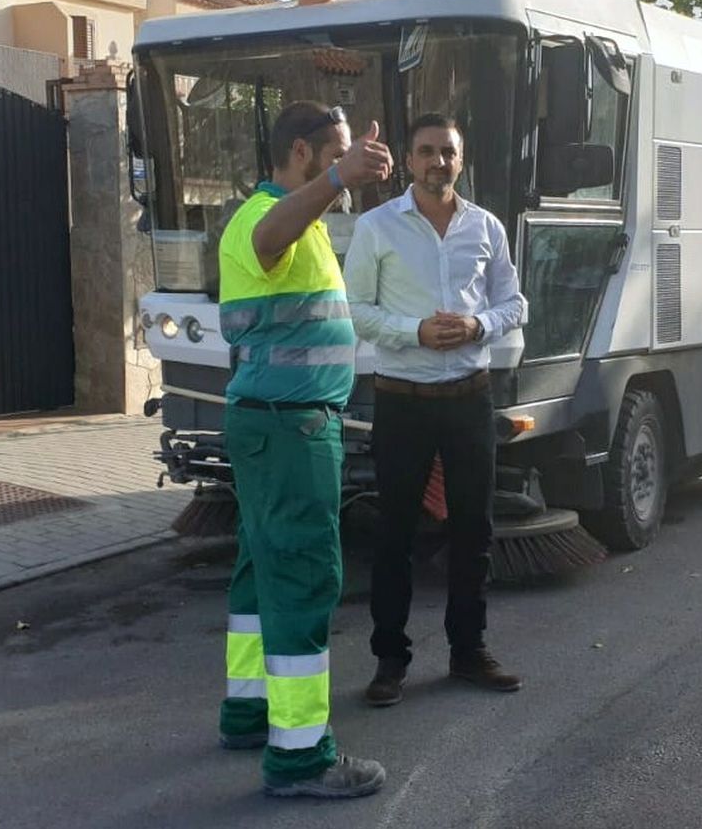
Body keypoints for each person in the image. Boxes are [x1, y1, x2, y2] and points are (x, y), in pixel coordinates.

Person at [216, 101, 392, 799]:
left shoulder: (301, 219)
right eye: (336, 153)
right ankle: (299, 757)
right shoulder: (269, 216)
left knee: (263, 571)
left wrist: (335, 181)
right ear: (300, 152)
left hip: (281, 424)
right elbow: (269, 235)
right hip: (290, 429)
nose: (349, 166)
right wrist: (337, 181)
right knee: (302, 576)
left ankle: (249, 708)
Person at [342, 112, 528, 707]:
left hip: (470, 399)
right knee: (395, 535)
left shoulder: (486, 227)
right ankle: (389, 662)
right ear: (409, 158)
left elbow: (513, 302)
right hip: (404, 402)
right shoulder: (376, 228)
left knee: (474, 530)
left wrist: (478, 324)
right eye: (426, 151)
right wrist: (414, 332)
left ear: (460, 159)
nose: (436, 162)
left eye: (447, 152)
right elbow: (357, 310)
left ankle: (468, 651)